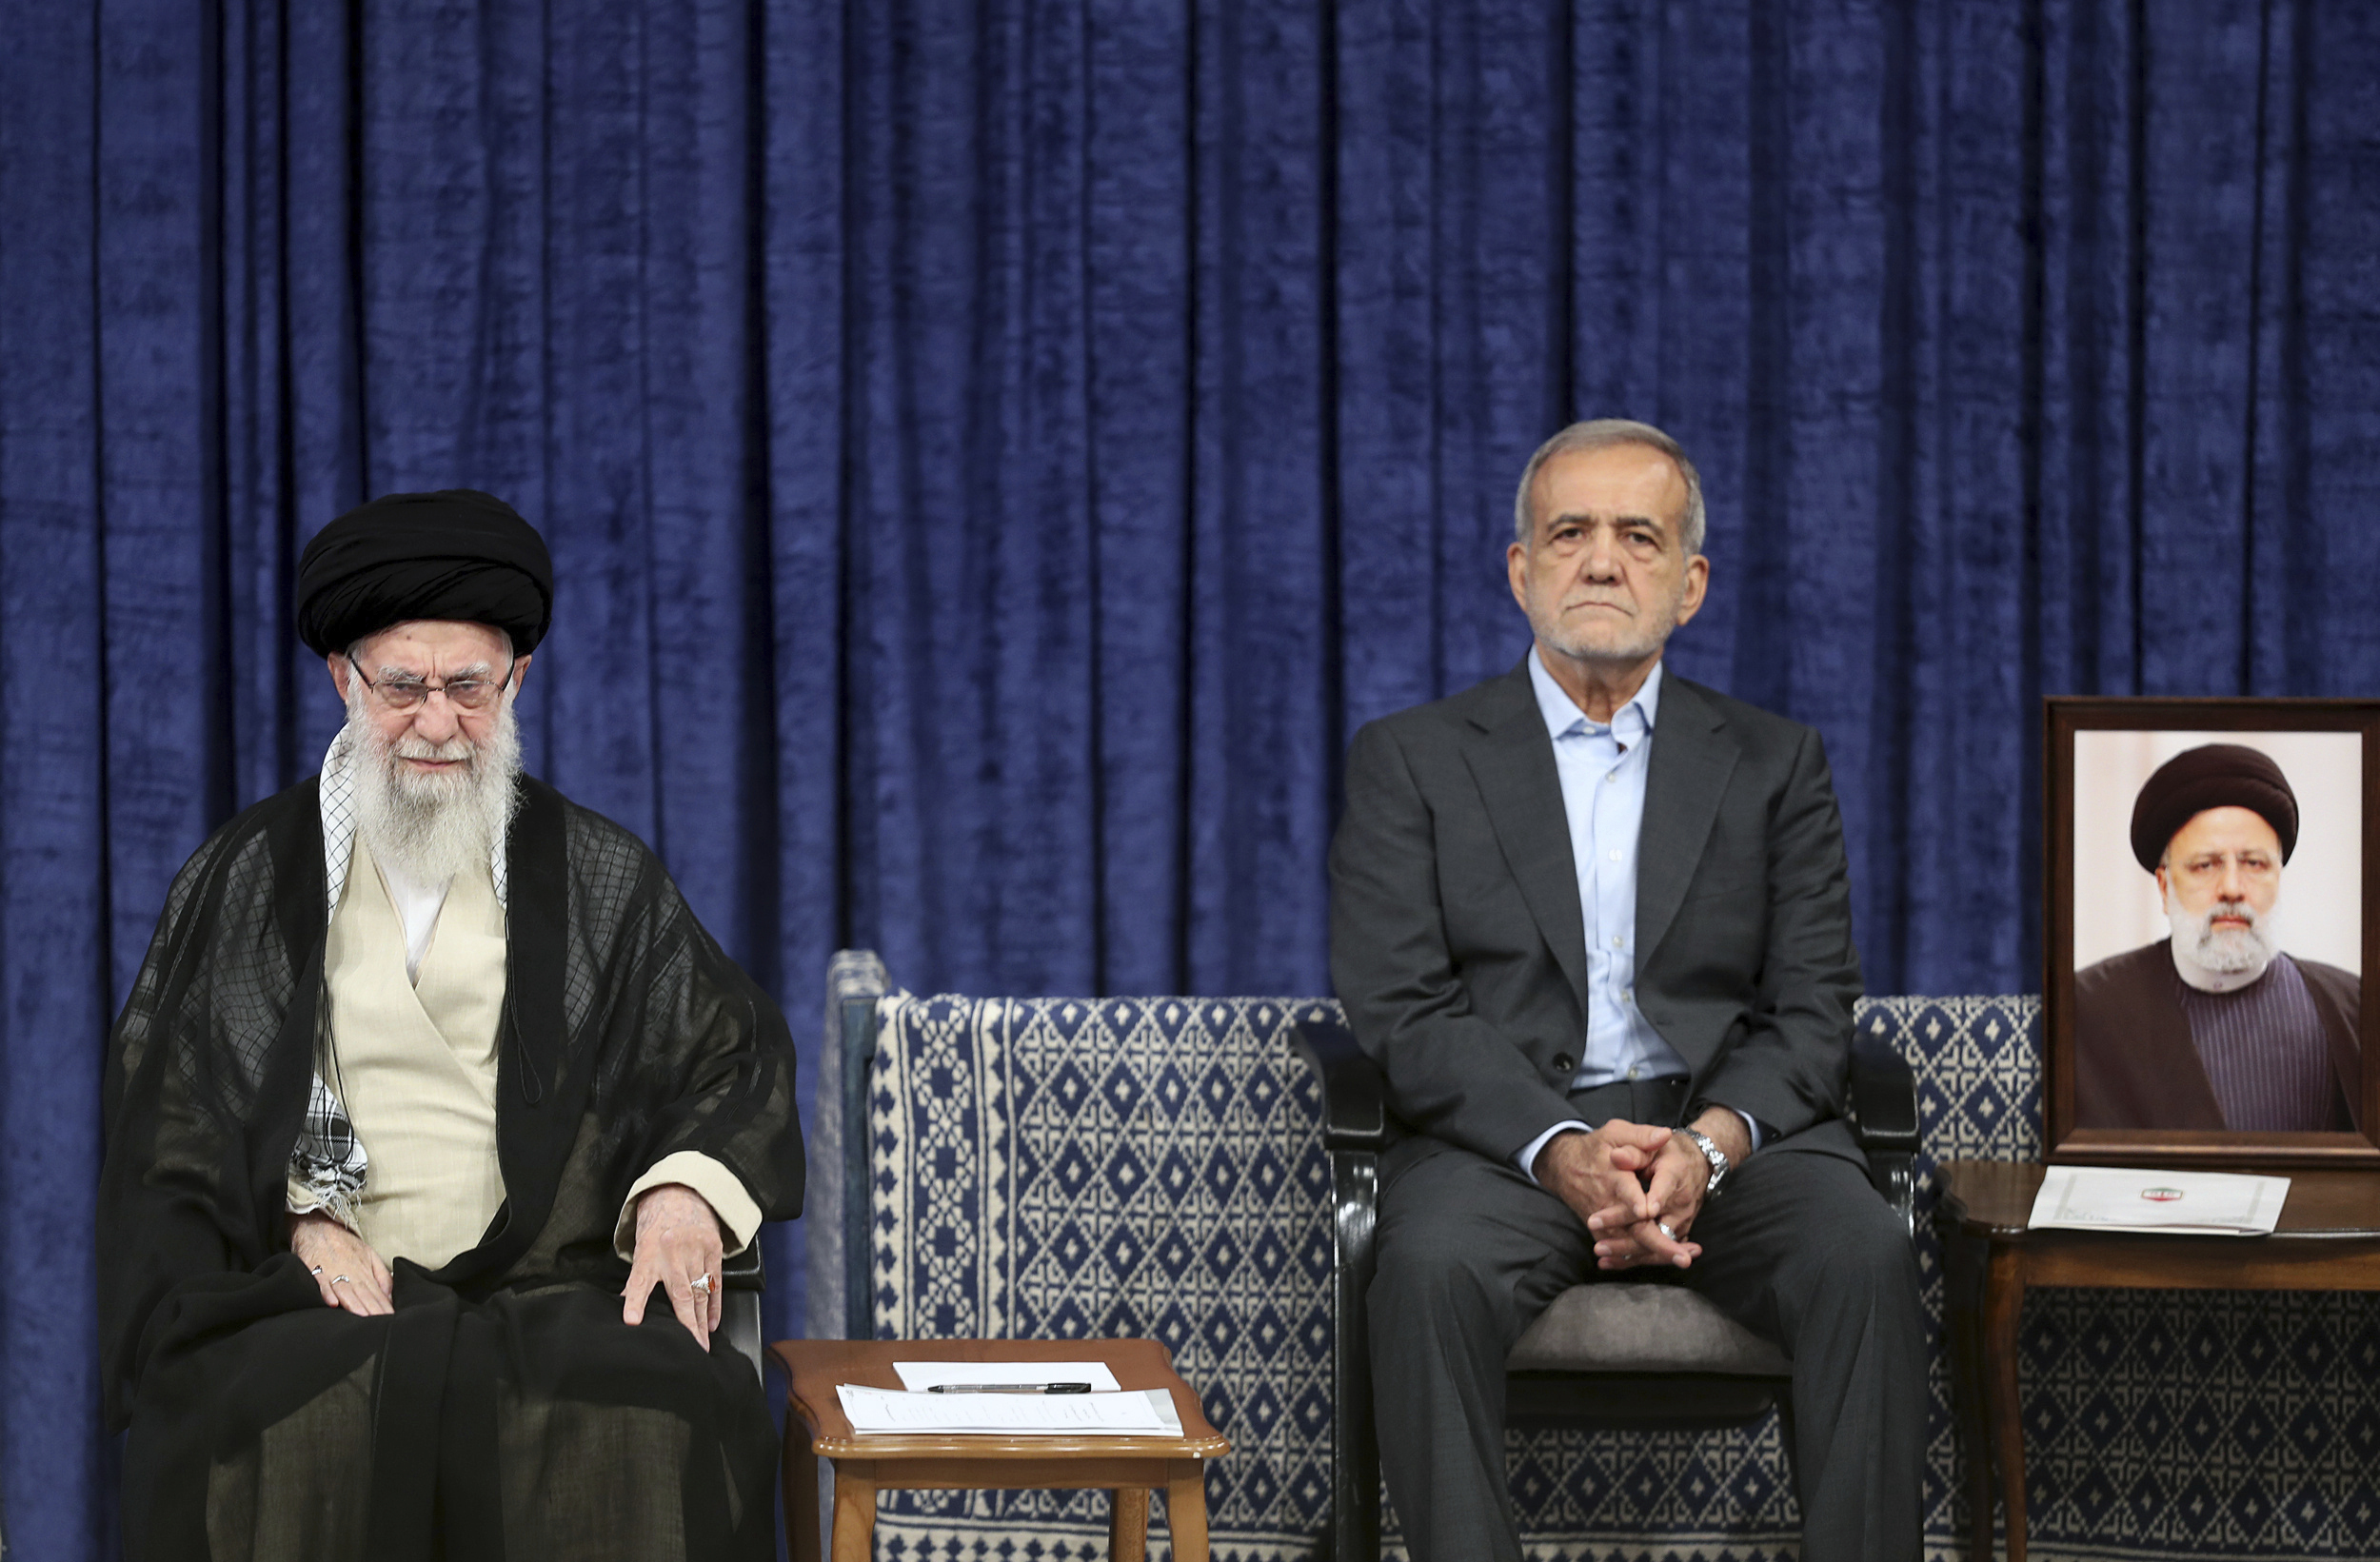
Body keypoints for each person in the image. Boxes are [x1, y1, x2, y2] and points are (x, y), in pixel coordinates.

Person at [99, 490, 803, 1562]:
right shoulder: (253, 877)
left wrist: (678, 1190)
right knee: (271, 1409)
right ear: (343, 678)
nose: (437, 723)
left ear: (515, 679)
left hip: (547, 1281)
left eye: (468, 688)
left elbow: (726, 1054)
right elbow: (180, 1112)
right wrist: (304, 1217)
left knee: (660, 1406)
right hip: (323, 1288)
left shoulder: (594, 873)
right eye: (403, 687)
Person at [1328, 420, 1925, 1560]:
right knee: (1425, 1267)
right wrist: (1559, 1147)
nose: (1601, 560)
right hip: (1503, 1144)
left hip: (1731, 1141)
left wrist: (1702, 1147)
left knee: (1866, 1253)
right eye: (1570, 532)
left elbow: (1809, 1008)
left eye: (1638, 536)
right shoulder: (1411, 759)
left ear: (1689, 584)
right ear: (1520, 571)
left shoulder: (1774, 763)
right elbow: (1401, 1006)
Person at [2073, 742, 2361, 1132]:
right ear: (2164, 886)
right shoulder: (2086, 1010)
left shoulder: (2355, 1009)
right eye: (2205, 865)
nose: (2231, 888)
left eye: (2254, 863)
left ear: (2279, 876)